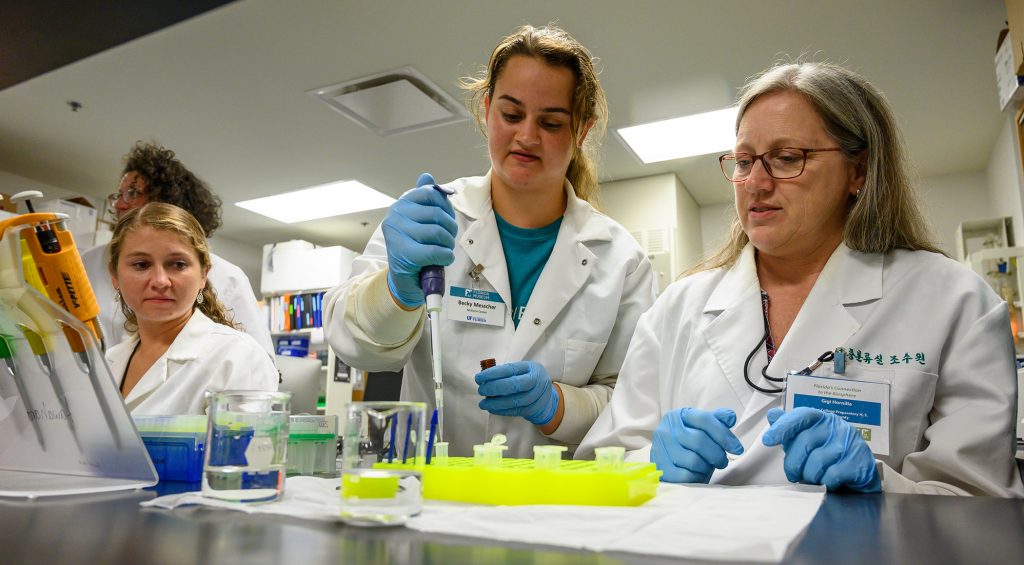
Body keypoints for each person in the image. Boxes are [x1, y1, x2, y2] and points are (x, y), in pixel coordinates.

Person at [577, 61, 1024, 497]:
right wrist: (650, 462)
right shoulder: (680, 307)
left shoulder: (953, 300)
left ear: (859, 171)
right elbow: (601, 461)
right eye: (744, 160)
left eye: (787, 158)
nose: (755, 182)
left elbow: (982, 499)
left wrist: (880, 485)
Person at [324, 24, 656, 458]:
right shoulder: (433, 218)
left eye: (551, 122)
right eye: (511, 114)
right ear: (486, 110)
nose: (527, 136)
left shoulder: (620, 260)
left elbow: (633, 405)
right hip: (438, 495)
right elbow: (353, 345)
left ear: (582, 131)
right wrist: (396, 290)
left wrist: (559, 405)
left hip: (559, 507)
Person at [82, 141, 274, 356]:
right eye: (140, 264)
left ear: (166, 202)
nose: (119, 205)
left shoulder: (227, 277)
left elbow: (259, 361)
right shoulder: (88, 263)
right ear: (114, 274)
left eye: (133, 193)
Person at [105, 202, 278, 414]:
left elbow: (247, 446)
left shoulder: (237, 357)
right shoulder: (109, 362)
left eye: (178, 264)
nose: (160, 281)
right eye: (141, 264)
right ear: (114, 276)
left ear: (204, 274)